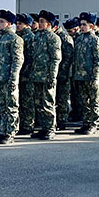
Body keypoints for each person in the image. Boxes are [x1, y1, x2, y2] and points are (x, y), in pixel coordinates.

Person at [0, 10, 24, 143]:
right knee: (2, 106)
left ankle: (10, 132)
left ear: (9, 24)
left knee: (11, 106)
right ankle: (4, 130)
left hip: (8, 78)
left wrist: (13, 78)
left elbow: (17, 60)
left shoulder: (15, 39)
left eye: (1, 21)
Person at [31, 11, 63, 139]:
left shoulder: (53, 38)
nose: (39, 24)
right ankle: (43, 127)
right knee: (39, 103)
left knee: (48, 103)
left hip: (47, 75)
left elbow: (55, 59)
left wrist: (52, 76)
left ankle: (50, 128)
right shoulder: (36, 37)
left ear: (49, 24)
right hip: (36, 75)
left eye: (42, 22)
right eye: (39, 21)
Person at [73, 13, 99, 134]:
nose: (81, 27)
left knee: (94, 102)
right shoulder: (79, 39)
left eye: (84, 25)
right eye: (80, 25)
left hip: (91, 77)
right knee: (84, 102)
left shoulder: (95, 40)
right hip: (80, 76)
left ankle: (93, 124)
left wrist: (95, 76)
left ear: (91, 26)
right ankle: (86, 123)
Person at [14, 13, 37, 135]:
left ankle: (28, 125)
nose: (17, 26)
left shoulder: (30, 37)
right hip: (19, 74)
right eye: (16, 24)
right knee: (21, 100)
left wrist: (27, 73)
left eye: (20, 24)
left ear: (27, 25)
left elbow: (31, 58)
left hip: (27, 74)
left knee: (27, 101)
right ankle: (22, 123)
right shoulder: (17, 36)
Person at [55, 18, 76, 132]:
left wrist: (63, 73)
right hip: (56, 73)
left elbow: (68, 59)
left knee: (62, 98)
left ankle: (62, 120)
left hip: (64, 73)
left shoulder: (64, 38)